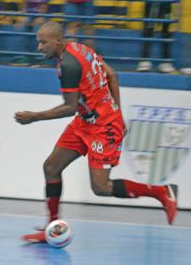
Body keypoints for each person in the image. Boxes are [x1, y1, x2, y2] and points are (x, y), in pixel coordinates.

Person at [14, 21, 178, 243]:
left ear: (58, 41)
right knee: (51, 167)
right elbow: (112, 75)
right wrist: (118, 110)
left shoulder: (68, 66)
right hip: (85, 121)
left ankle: (161, 191)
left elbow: (69, 107)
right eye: (38, 42)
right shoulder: (80, 49)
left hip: (103, 127)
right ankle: (50, 228)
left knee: (101, 187)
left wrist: (34, 117)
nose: (39, 47)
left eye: (43, 42)